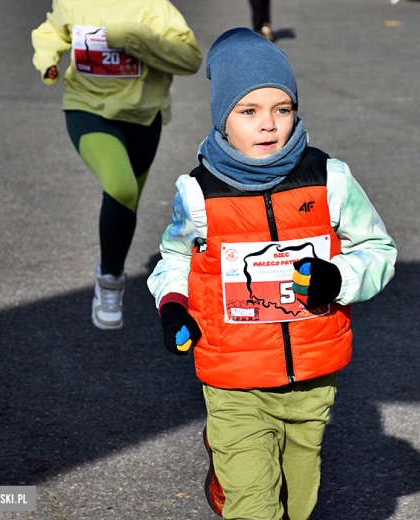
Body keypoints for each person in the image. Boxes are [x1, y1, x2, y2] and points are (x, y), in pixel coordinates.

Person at [147, 28, 397, 519]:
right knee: (255, 508)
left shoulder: (329, 179)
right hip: (232, 378)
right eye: (249, 111)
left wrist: (338, 279)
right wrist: (173, 305)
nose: (268, 125)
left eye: (281, 109)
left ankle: (226, 464)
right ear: (223, 118)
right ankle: (230, 457)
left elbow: (378, 249)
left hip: (311, 374)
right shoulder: (197, 194)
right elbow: (173, 259)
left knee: (296, 505)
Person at [31, 0, 202, 330]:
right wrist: (47, 59)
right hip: (86, 107)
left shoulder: (154, 7)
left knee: (128, 201)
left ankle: (111, 268)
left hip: (142, 116)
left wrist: (133, 39)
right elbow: (51, 31)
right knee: (121, 186)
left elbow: (190, 58)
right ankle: (110, 281)